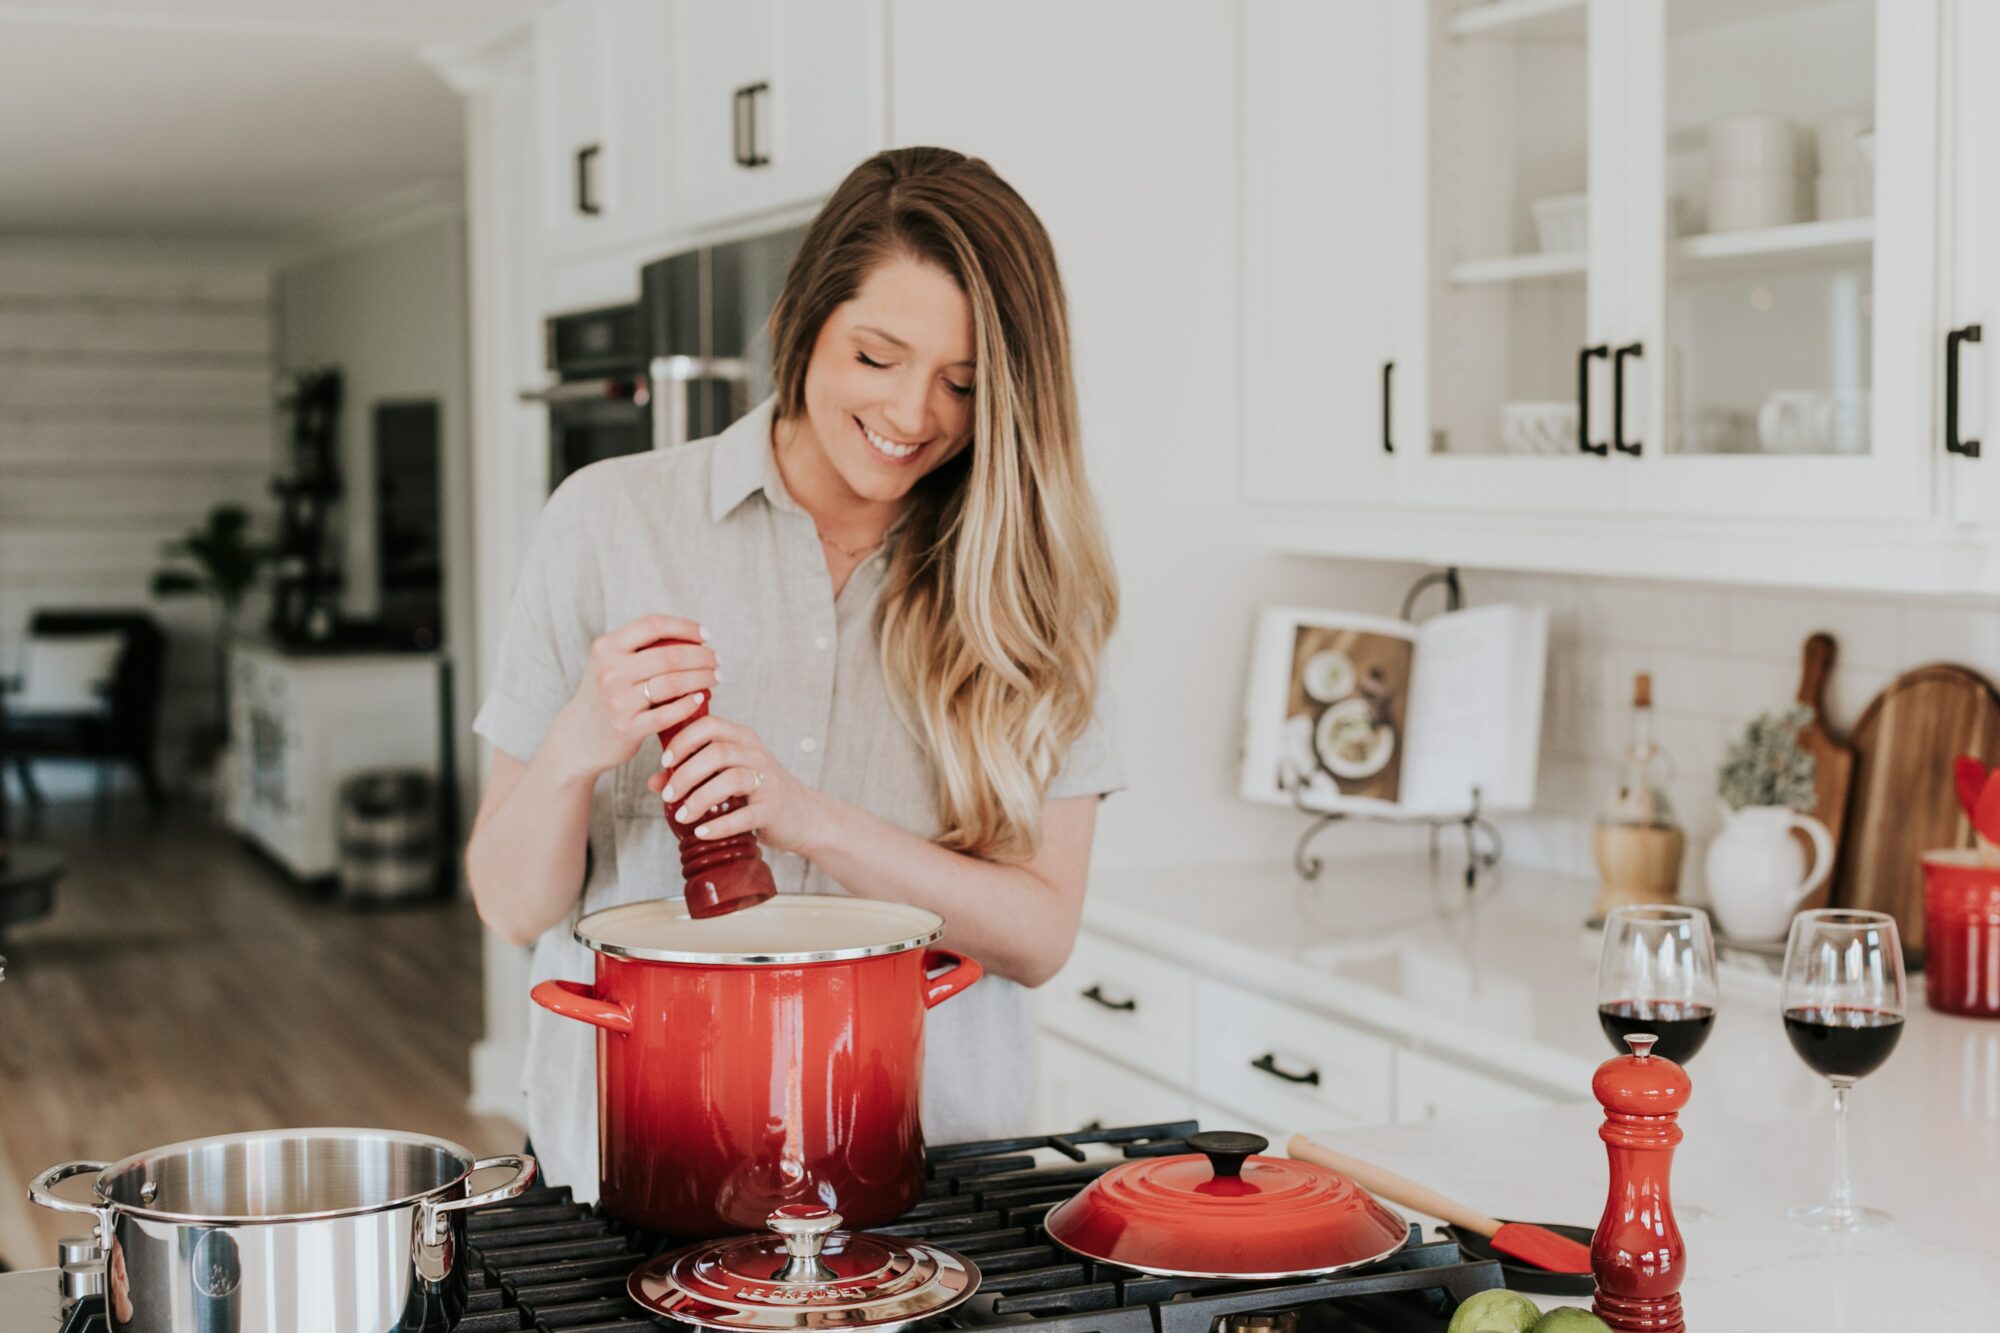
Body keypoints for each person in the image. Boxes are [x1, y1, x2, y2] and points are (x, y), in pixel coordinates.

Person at [465, 146, 1124, 1199]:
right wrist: (573, 748)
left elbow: (1040, 935)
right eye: (876, 356)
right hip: (639, 1173)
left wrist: (805, 817)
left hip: (928, 1184)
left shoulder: (1034, 586)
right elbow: (506, 902)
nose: (913, 413)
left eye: (962, 383)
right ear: (804, 322)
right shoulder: (607, 519)